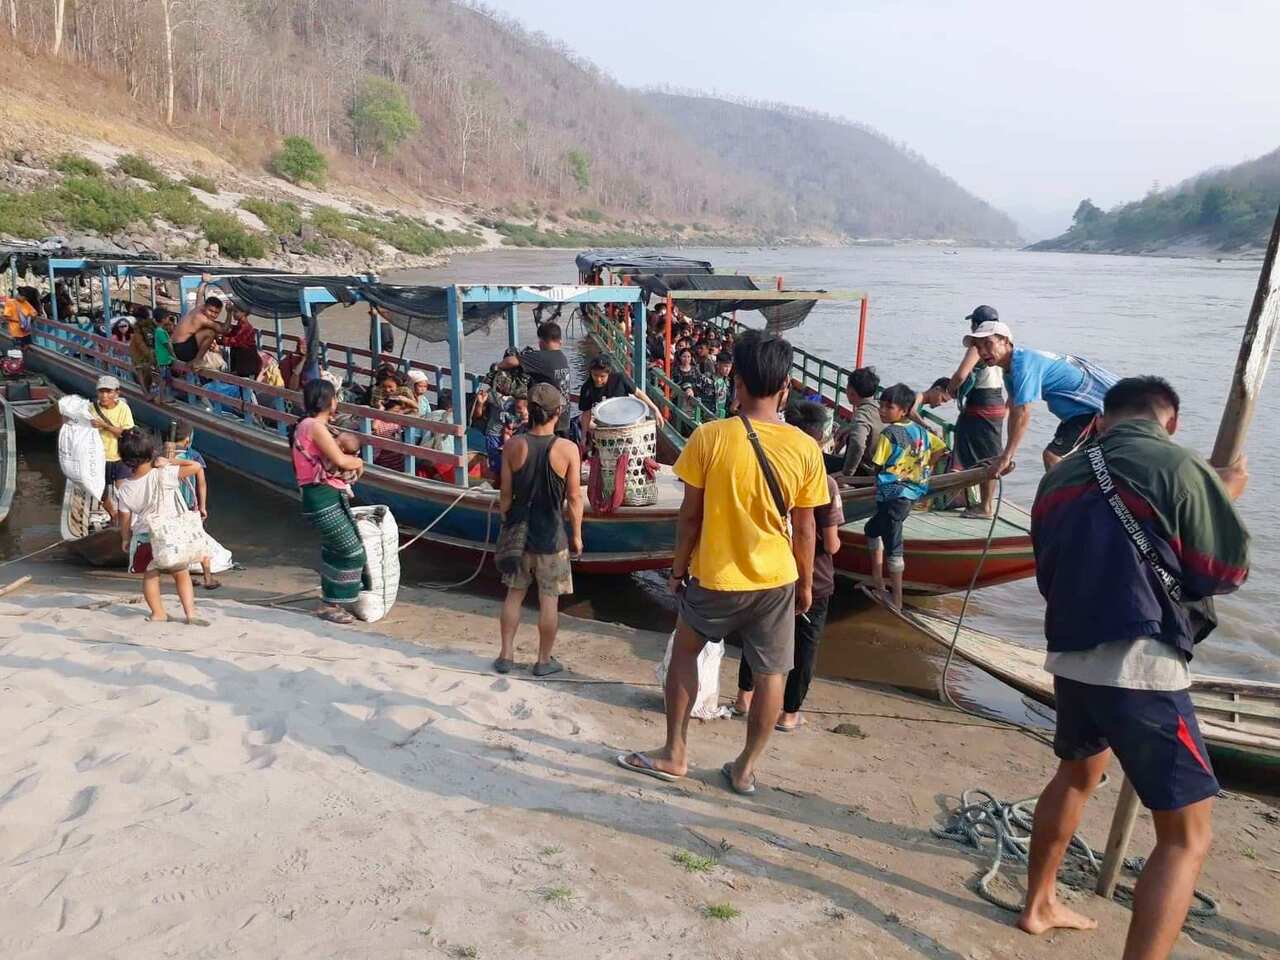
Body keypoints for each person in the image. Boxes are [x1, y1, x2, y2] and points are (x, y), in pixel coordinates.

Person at [1019, 376, 1249, 959]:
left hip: (1070, 655)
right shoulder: (1181, 466)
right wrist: (1224, 496)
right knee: (1186, 836)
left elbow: (1045, 565)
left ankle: (1038, 904)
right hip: (1142, 665)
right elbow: (1223, 572)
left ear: (1102, 420)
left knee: (1076, 775)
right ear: (1170, 422)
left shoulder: (1061, 474)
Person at [618, 329, 828, 794]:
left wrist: (677, 571)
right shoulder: (805, 448)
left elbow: (689, 516)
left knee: (685, 653)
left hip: (715, 577)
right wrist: (805, 586)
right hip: (776, 580)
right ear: (785, 387)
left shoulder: (709, 437)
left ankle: (675, 752)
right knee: (772, 673)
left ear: (737, 382)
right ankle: (745, 769)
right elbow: (806, 528)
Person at [734, 400, 844, 731]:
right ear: (821, 437)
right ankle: (789, 713)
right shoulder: (826, 483)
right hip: (814, 577)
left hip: (769, 569)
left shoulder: (768, 467)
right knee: (804, 646)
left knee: (759, 636)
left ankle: (744, 697)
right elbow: (831, 543)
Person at [495, 383, 583, 677]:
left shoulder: (513, 445)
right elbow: (574, 498)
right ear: (557, 412)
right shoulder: (568, 449)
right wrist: (577, 535)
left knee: (514, 594)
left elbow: (505, 496)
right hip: (552, 536)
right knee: (549, 600)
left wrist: (507, 522)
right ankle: (543, 661)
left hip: (519, 533)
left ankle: (506, 655)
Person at [967, 318, 1118, 474]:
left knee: (1052, 457)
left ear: (1005, 341)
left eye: (988, 344)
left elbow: (1023, 412)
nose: (982, 352)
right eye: (978, 347)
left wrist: (1007, 457)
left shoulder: (1023, 366)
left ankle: (1060, 490)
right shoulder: (1010, 371)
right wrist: (1005, 453)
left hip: (1089, 411)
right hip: (1077, 415)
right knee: (1087, 461)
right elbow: (1013, 409)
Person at [290, 379, 368, 624]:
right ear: (329, 401)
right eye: (335, 397)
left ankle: (334, 600)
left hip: (326, 493)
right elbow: (341, 460)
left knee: (336, 549)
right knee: (352, 551)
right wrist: (359, 462)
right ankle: (330, 604)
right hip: (321, 495)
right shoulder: (314, 426)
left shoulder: (309, 425)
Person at [864, 383, 947, 609]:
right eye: (881, 405)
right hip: (911, 494)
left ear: (904, 411)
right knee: (871, 530)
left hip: (893, 496)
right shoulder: (920, 431)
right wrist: (925, 467)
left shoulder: (889, 434)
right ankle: (879, 583)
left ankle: (896, 600)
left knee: (893, 545)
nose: (882, 410)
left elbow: (878, 465)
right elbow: (941, 448)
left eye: (888, 407)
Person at [114, 427, 208, 626]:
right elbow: (196, 466)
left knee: (150, 576)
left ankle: (158, 613)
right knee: (181, 574)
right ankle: (190, 613)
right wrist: (169, 461)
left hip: (144, 536)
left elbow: (124, 518)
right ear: (151, 452)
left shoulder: (124, 488)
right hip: (170, 535)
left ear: (124, 458)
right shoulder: (165, 474)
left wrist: (125, 538)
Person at [171, 421, 221, 590]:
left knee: (179, 542)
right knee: (199, 539)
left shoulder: (162, 456)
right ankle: (208, 578)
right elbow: (201, 483)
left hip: (171, 507)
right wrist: (202, 506)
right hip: (190, 505)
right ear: (188, 439)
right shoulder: (193, 456)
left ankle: (185, 577)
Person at [500, 322, 571, 434]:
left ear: (541, 342)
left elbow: (510, 361)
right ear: (560, 341)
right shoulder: (562, 357)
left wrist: (497, 366)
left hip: (549, 420)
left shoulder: (541, 357)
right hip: (564, 416)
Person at [89, 375, 136, 521]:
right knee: (102, 492)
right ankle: (114, 515)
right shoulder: (91, 409)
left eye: (108, 392)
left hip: (120, 456)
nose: (104, 396)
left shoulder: (123, 409)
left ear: (117, 393)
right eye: (101, 391)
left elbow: (126, 433)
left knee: (123, 491)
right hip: (99, 458)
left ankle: (126, 518)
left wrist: (104, 426)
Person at [830, 366, 882, 477]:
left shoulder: (861, 414)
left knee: (819, 459)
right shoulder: (880, 407)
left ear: (852, 391)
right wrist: (851, 427)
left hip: (865, 471)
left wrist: (846, 473)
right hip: (878, 468)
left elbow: (858, 444)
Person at [171, 274, 227, 365]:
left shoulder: (199, 308)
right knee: (210, 332)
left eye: (216, 313)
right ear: (205, 307)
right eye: (211, 311)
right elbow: (223, 330)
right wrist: (229, 313)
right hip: (182, 350)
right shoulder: (202, 319)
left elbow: (199, 295)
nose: (213, 314)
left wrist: (204, 282)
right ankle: (198, 360)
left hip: (178, 346)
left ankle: (199, 358)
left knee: (211, 329)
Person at [222, 303, 261, 379]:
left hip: (246, 359)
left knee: (245, 382)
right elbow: (228, 333)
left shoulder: (246, 326)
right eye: (233, 311)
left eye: (236, 312)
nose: (234, 314)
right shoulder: (239, 325)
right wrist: (228, 313)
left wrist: (222, 339)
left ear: (244, 313)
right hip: (240, 358)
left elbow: (236, 341)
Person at [153, 308, 175, 402]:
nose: (168, 319)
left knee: (165, 379)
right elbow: (167, 345)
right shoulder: (160, 331)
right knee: (163, 379)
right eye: (167, 318)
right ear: (163, 319)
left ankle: (163, 396)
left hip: (163, 359)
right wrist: (173, 355)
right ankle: (161, 397)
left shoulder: (159, 330)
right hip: (163, 360)